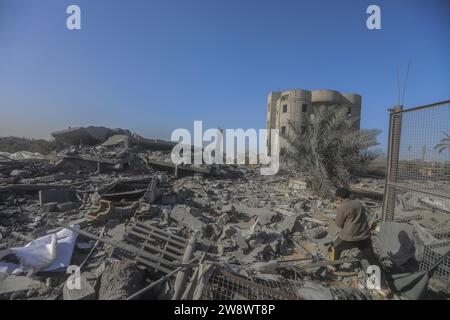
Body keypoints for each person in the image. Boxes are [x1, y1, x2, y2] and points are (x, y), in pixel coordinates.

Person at [332, 187, 374, 262]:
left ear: (339, 198)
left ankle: (334, 266)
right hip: (365, 235)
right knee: (370, 256)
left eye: (336, 199)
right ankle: (376, 270)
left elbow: (338, 224)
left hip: (350, 237)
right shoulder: (358, 204)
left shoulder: (342, 207)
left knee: (335, 248)